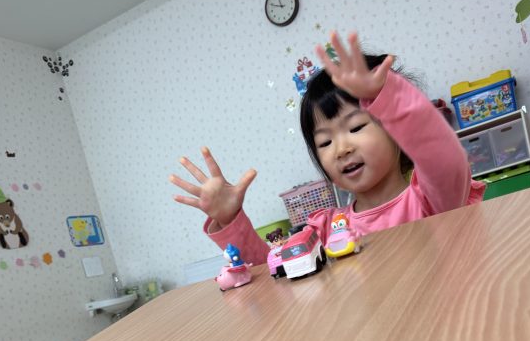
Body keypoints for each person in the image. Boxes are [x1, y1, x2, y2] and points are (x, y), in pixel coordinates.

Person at [169, 31, 485, 265]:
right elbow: (274, 276)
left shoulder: (432, 201)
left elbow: (444, 159)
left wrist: (389, 96)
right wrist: (231, 221)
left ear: (395, 131)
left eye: (356, 127)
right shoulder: (324, 230)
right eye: (325, 142)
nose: (341, 149)